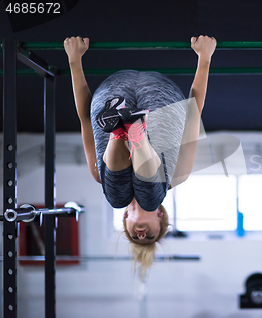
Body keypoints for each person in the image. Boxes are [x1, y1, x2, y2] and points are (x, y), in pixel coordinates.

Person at [64, 35, 216, 278]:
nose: (142, 234)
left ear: (125, 219)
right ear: (161, 216)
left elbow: (85, 119)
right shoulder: (178, 175)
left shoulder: (102, 178)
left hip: (111, 95)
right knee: (148, 196)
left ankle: (119, 129)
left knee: (115, 195)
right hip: (161, 100)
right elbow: (194, 112)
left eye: (134, 235)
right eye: (151, 236)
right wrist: (204, 58)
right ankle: (134, 129)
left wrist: (75, 61)